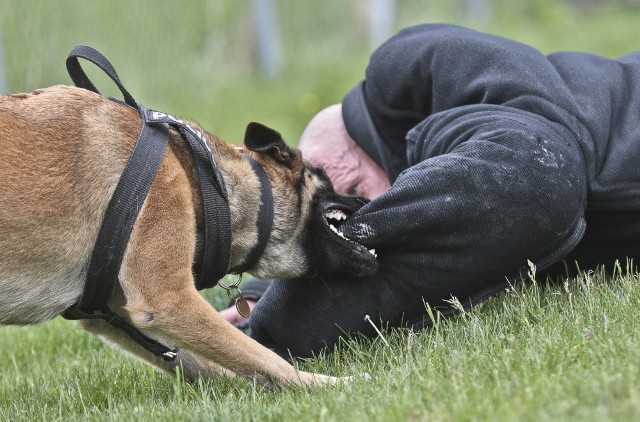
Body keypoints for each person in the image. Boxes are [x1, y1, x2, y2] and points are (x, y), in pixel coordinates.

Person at [220, 23, 640, 358]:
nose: (357, 213)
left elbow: (539, 170)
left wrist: (272, 329)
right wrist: (259, 294)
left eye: (339, 211)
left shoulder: (401, 72)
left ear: (345, 165)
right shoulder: (440, 152)